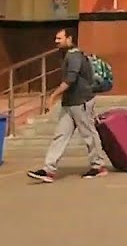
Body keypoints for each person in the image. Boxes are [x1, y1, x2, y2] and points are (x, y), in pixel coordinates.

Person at [26, 27, 109, 182]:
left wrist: (53, 96)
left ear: (69, 39)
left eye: (59, 38)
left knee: (89, 134)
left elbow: (70, 80)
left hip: (81, 101)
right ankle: (48, 170)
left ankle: (98, 166)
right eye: (56, 38)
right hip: (69, 103)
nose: (56, 41)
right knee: (60, 135)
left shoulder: (75, 56)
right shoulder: (66, 56)